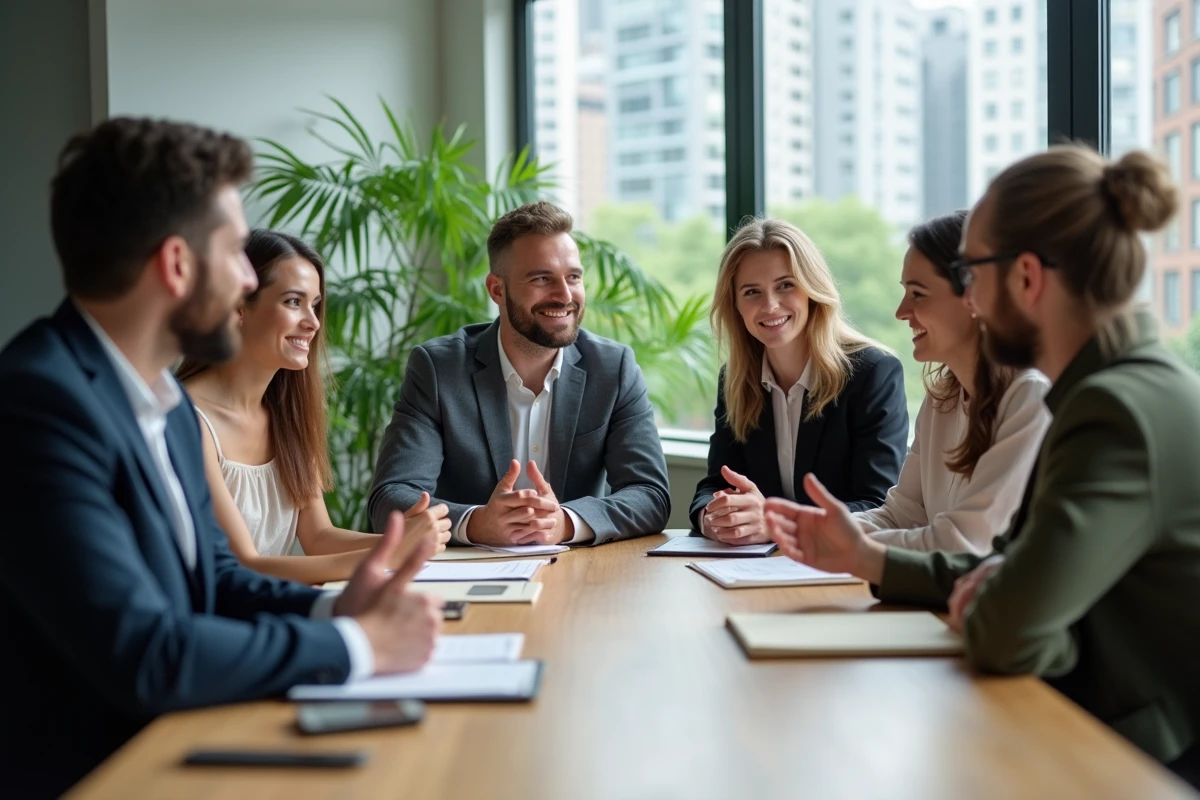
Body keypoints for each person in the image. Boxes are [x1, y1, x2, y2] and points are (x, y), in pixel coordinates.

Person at [0, 117, 443, 798]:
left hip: (185, 739)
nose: (244, 281)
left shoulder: (162, 406)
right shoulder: (38, 406)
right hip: (103, 775)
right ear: (177, 264)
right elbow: (146, 654)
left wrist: (337, 611)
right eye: (236, 253)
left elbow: (216, 579)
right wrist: (359, 646)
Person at [764, 146, 1200, 787]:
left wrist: (1014, 602)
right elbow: (1009, 573)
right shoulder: (1118, 388)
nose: (969, 295)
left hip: (1138, 763)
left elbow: (1008, 628)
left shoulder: (1113, 411)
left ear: (1026, 278)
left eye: (972, 271)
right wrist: (883, 561)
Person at [369, 201, 671, 546]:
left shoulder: (613, 368)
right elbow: (391, 499)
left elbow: (650, 495)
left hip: (579, 568)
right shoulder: (439, 369)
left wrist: (564, 523)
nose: (565, 295)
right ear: (497, 289)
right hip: (473, 569)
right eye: (542, 279)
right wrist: (476, 523)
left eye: (573, 277)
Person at [177, 230, 451, 585]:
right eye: (293, 302)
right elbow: (244, 566)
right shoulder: (187, 420)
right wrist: (390, 552)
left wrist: (406, 539)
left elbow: (319, 537)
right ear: (238, 307)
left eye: (315, 305)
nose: (313, 322)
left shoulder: (285, 415)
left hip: (270, 606)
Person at [690, 217, 909, 544]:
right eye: (752, 292)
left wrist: (777, 523)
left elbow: (878, 506)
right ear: (735, 305)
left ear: (812, 290)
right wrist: (713, 518)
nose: (770, 305)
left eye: (785, 285)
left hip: (842, 564)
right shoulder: (735, 379)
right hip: (759, 567)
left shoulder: (873, 374)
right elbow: (716, 484)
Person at [852, 211, 1051, 553]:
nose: (901, 311)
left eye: (918, 294)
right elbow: (901, 516)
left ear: (975, 296)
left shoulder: (1030, 396)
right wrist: (809, 527)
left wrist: (844, 544)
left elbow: (964, 543)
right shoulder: (941, 399)